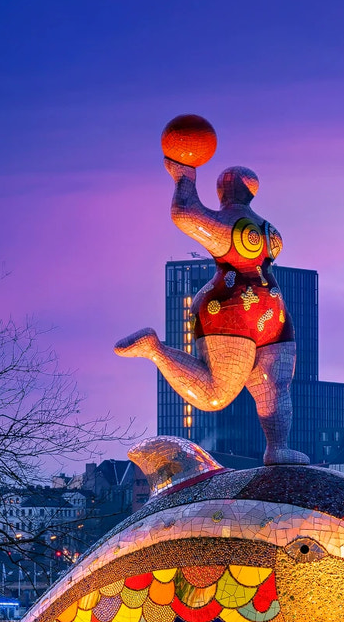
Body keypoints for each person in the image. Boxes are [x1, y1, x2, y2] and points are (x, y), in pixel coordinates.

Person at [116, 156, 308, 465]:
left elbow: (185, 214)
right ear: (252, 191)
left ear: (222, 192)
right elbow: (248, 267)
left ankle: (155, 349)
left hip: (230, 312)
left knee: (214, 394)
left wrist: (184, 177)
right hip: (274, 314)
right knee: (275, 387)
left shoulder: (225, 225)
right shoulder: (272, 232)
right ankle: (278, 447)